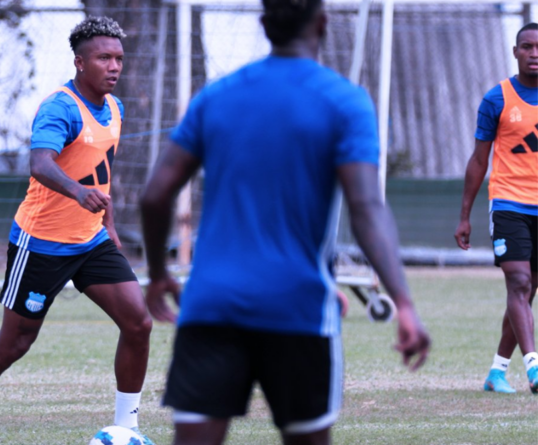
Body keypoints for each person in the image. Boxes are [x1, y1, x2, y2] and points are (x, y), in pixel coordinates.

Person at [140, 1, 431, 444]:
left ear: (263, 25)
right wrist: (403, 302)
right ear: (322, 22)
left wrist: (159, 273)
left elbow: (155, 195)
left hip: (211, 307)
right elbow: (367, 207)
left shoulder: (218, 96)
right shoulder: (345, 101)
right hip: (297, 309)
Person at [0, 16, 154, 445]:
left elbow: (100, 171)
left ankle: (126, 429)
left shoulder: (115, 109)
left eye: (119, 59)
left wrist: (107, 224)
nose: (114, 66)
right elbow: (41, 164)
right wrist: (78, 194)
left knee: (138, 323)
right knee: (14, 343)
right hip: (42, 243)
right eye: (104, 58)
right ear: (79, 62)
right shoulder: (60, 107)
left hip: (91, 241)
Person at [455, 22, 538, 395]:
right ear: (515, 51)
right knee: (519, 282)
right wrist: (464, 216)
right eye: (527, 46)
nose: (534, 53)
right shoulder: (497, 99)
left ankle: (496, 372)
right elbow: (477, 161)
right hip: (508, 203)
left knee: (526, 290)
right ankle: (535, 369)